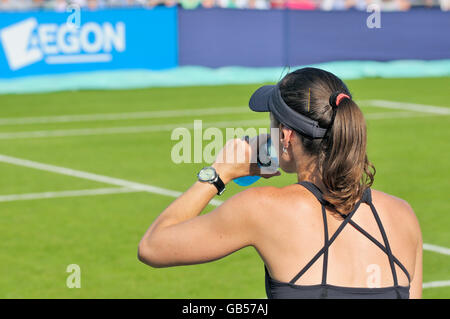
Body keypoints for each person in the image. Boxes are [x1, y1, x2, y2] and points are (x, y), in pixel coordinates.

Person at [138, 67, 422, 299]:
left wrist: (219, 173)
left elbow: (152, 246)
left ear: (286, 137)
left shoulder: (262, 208)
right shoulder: (403, 215)